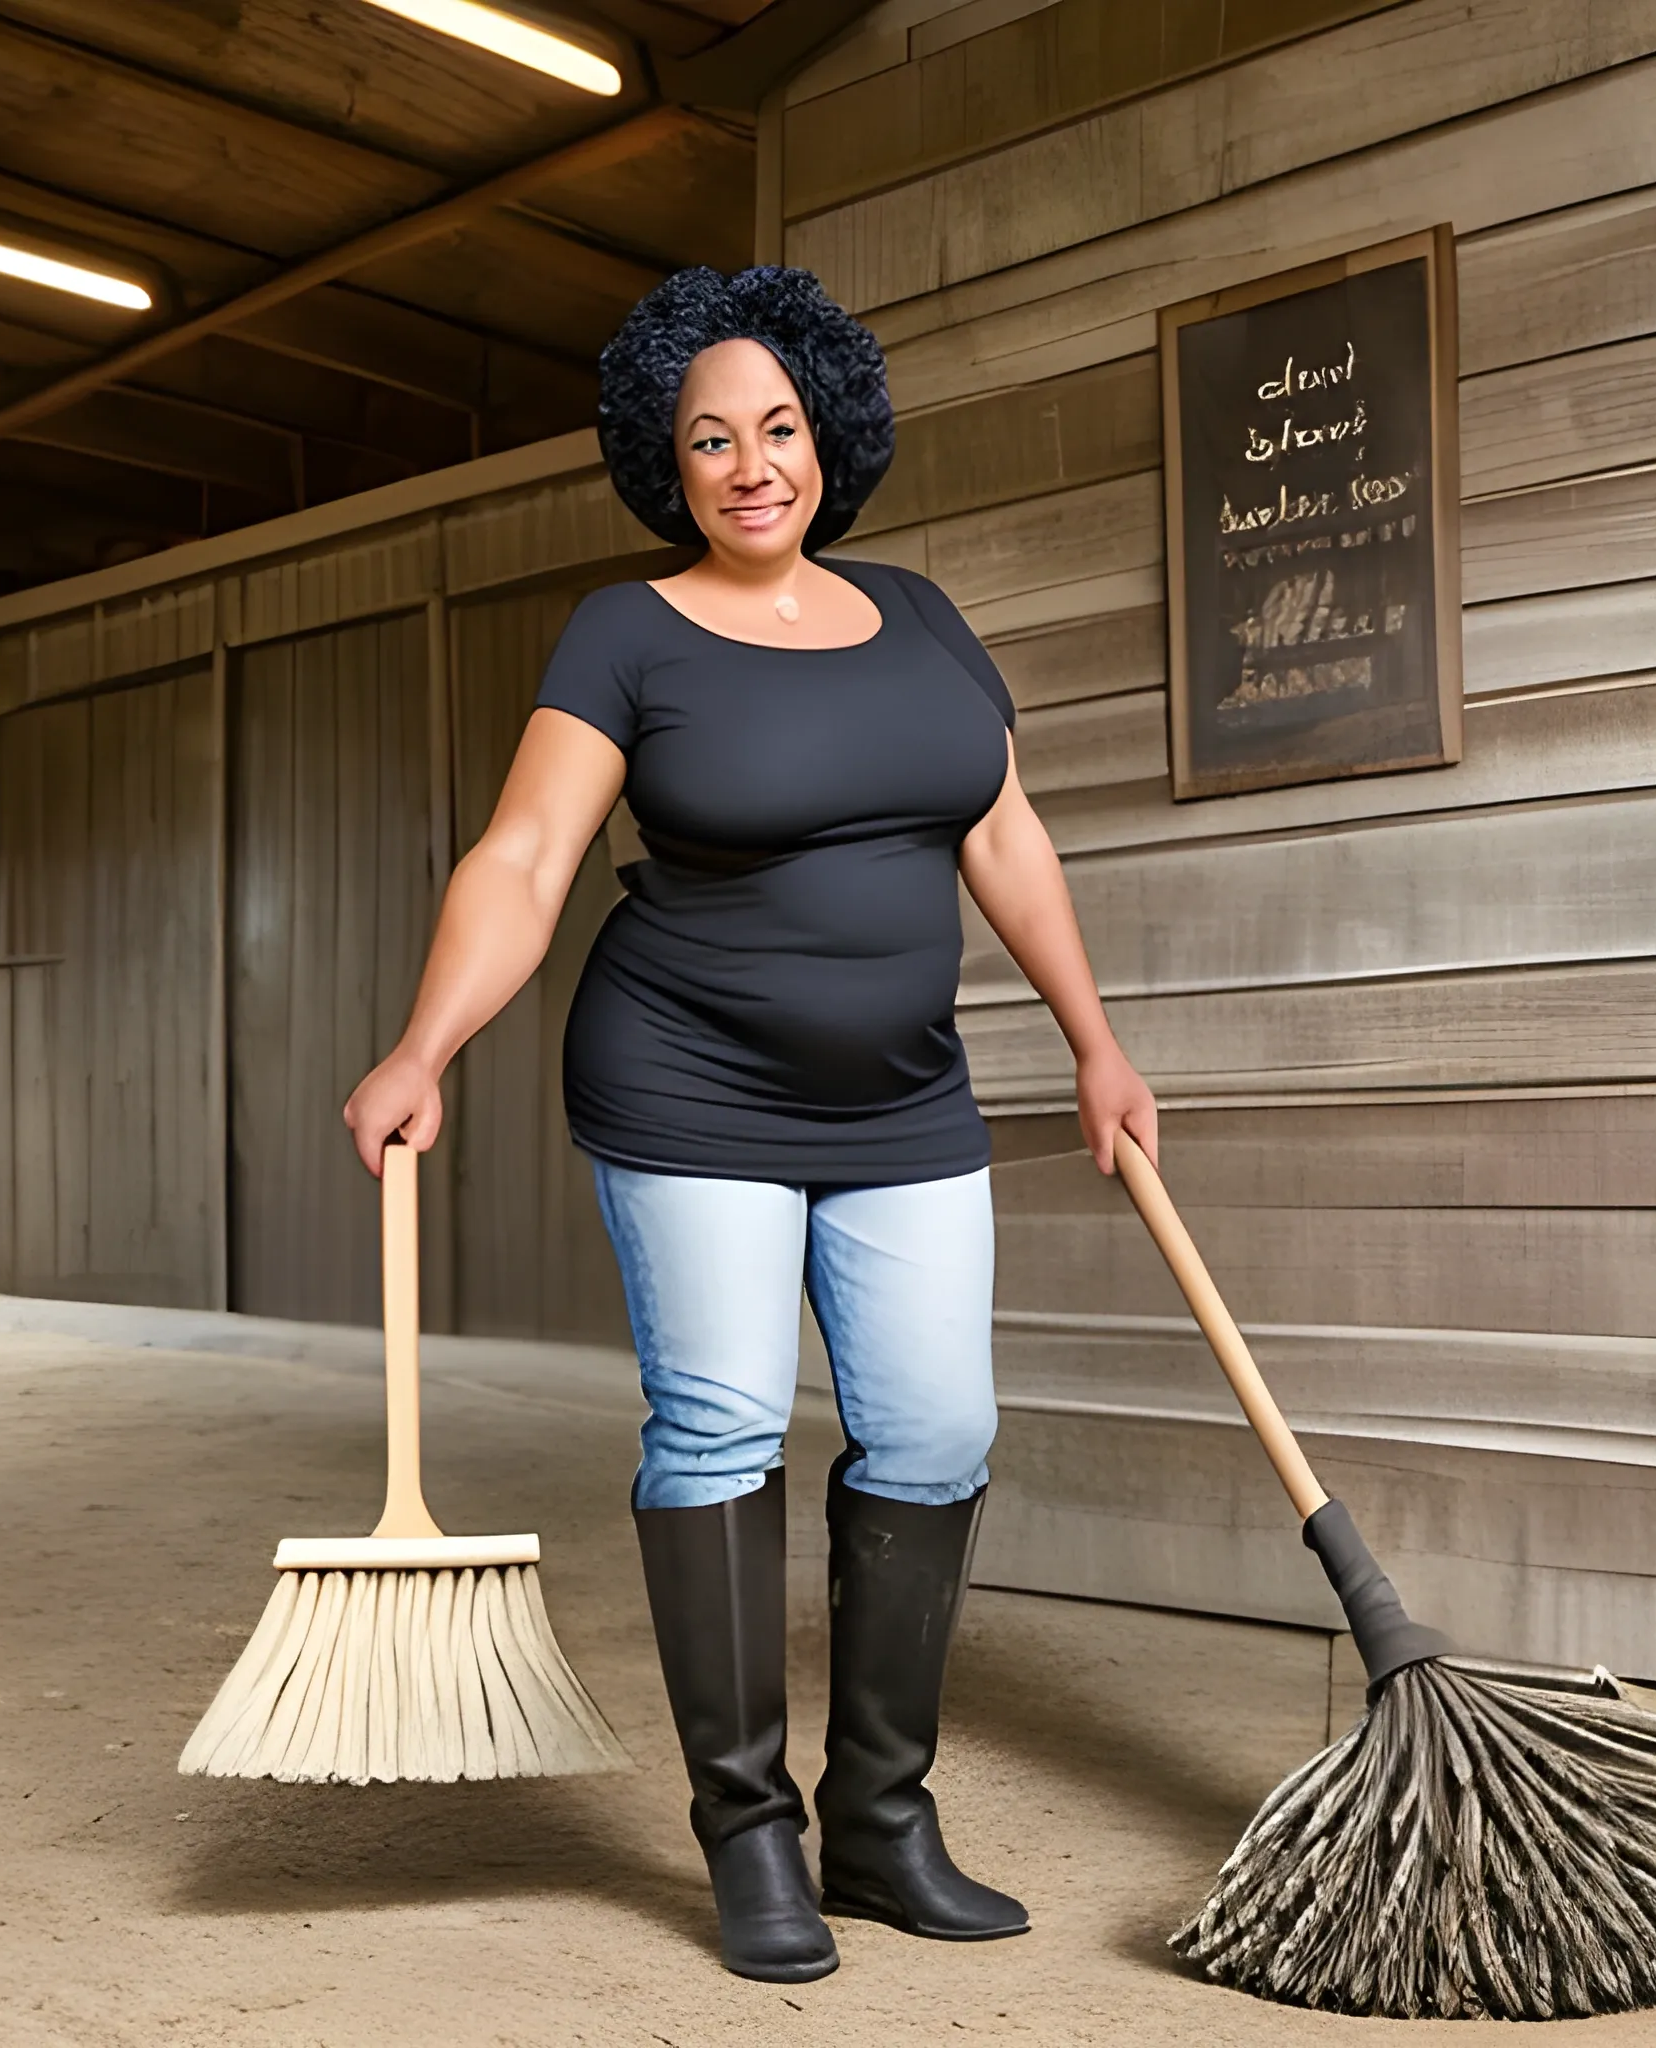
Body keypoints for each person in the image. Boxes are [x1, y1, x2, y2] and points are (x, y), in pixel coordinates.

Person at [344, 266, 1158, 1984]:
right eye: (707, 438)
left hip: (907, 1100)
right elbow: (526, 859)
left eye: (777, 427)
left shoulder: (923, 614)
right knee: (718, 1427)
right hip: (688, 1083)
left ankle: (882, 1823)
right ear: (670, 463)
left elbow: (1004, 841)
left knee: (935, 1433)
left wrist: (1095, 1041)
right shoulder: (623, 633)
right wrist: (426, 1044)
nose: (748, 464)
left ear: (829, 434)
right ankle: (749, 1839)